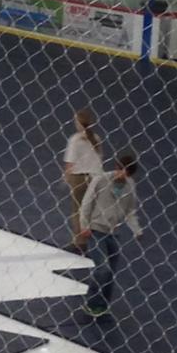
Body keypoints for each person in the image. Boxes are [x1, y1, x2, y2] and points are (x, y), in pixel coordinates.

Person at [78, 151, 144, 319]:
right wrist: (84, 226)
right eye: (122, 171)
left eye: (128, 174)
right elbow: (86, 203)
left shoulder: (129, 185)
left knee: (111, 271)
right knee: (103, 269)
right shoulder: (100, 180)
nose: (124, 176)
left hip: (113, 233)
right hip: (95, 231)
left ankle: (102, 304)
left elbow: (130, 210)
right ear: (117, 167)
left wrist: (136, 230)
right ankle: (91, 302)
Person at [63, 108, 104, 252]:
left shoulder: (75, 140)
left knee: (77, 211)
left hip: (79, 178)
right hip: (95, 178)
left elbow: (70, 162)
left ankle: (79, 243)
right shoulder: (96, 138)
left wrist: (67, 176)